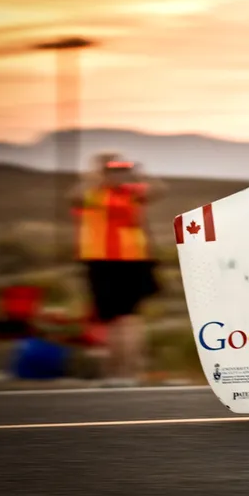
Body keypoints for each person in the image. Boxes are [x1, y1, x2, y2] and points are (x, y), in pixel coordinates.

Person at [70, 153, 165, 386]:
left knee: (127, 318)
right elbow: (74, 197)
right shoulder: (93, 193)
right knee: (112, 319)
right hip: (102, 259)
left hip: (128, 260)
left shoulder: (132, 191)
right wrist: (97, 176)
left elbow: (159, 189)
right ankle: (115, 372)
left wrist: (137, 173)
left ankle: (126, 372)